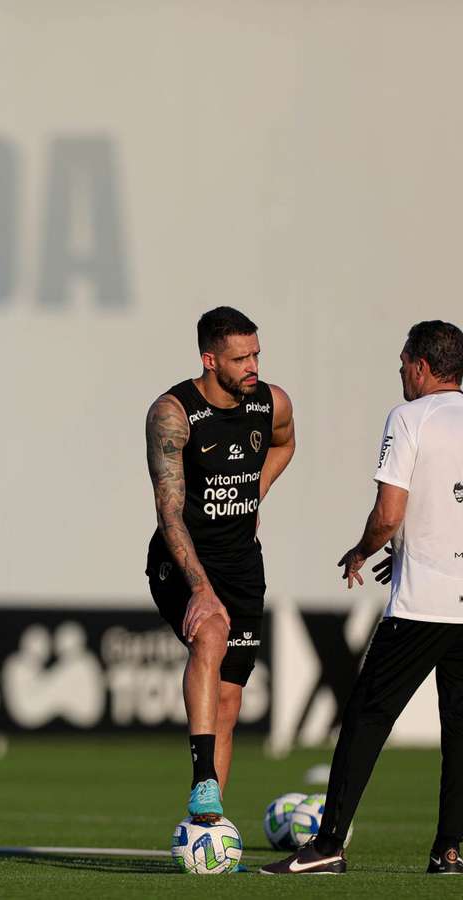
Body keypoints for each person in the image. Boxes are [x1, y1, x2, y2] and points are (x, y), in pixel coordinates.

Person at [262, 320, 463, 876]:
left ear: (422, 366)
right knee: (460, 730)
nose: (400, 372)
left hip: (423, 606)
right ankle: (450, 850)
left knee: (365, 718)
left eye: (403, 363)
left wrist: (362, 550)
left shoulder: (409, 417)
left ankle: (327, 845)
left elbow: (389, 513)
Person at [145, 306, 296, 828]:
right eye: (240, 358)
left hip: (243, 566)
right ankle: (203, 781)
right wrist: (202, 589)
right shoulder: (173, 413)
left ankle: (205, 832)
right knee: (210, 633)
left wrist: (256, 489)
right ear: (210, 360)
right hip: (183, 561)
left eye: (256, 354)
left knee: (229, 702)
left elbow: (285, 442)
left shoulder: (271, 402)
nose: (253, 366)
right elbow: (168, 513)